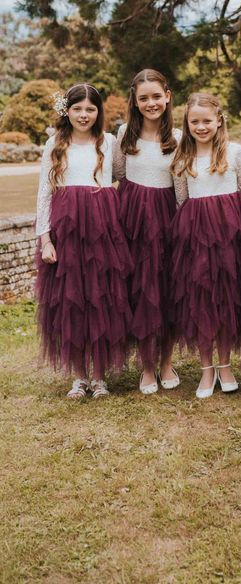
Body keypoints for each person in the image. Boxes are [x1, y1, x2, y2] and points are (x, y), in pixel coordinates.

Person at [35, 83, 132, 399]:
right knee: (72, 301)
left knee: (101, 297)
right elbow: (44, 193)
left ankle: (100, 376)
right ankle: (79, 376)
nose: (84, 114)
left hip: (103, 229)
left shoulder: (108, 141)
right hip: (67, 231)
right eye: (77, 108)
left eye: (90, 109)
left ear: (98, 112)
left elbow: (119, 175)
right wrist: (45, 239)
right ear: (67, 110)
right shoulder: (55, 143)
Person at [170, 93, 241, 399]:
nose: (201, 126)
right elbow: (181, 201)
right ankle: (206, 368)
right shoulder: (181, 158)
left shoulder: (235, 151)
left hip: (229, 236)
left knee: (227, 299)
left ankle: (225, 364)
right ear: (186, 124)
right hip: (196, 237)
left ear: (219, 120)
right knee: (201, 300)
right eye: (194, 121)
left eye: (207, 120)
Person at [114, 69, 180, 395]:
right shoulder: (125, 134)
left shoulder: (180, 138)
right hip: (133, 220)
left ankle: (167, 361)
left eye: (156, 96)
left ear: (168, 95)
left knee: (167, 289)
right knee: (139, 290)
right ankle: (147, 367)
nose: (151, 103)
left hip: (168, 218)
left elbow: (186, 182)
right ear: (135, 101)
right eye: (144, 98)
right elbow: (113, 172)